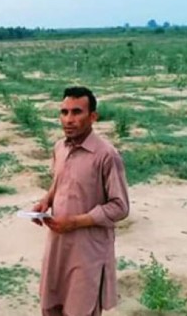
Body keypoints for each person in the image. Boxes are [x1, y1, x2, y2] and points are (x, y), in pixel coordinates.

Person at [30, 86, 130, 316]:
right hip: (58, 244)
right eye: (64, 112)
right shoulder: (59, 148)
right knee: (50, 306)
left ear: (93, 117)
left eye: (77, 112)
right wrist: (46, 200)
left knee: (80, 310)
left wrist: (76, 222)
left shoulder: (106, 155)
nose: (69, 119)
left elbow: (120, 206)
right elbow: (60, 180)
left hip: (88, 250)